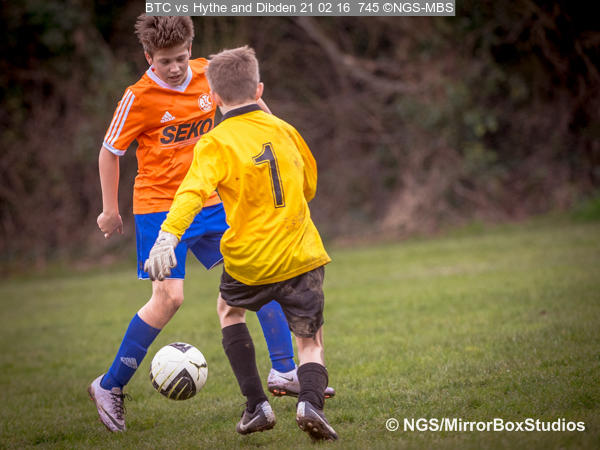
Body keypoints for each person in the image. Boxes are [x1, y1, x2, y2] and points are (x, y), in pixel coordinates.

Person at [87, 15, 333, 434]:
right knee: (169, 299)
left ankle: (284, 370)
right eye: (165, 61)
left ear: (191, 51)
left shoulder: (208, 74)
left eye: (181, 58)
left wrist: (271, 134)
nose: (175, 68)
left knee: (261, 268)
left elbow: (254, 111)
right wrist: (110, 210)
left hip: (212, 199)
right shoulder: (137, 97)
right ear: (148, 57)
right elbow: (110, 151)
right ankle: (109, 385)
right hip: (160, 206)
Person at [144, 45, 338, 441]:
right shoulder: (285, 130)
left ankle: (256, 405)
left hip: (249, 260)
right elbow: (310, 186)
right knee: (310, 340)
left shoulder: (215, 142)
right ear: (259, 89)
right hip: (301, 255)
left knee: (229, 311)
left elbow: (191, 193)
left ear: (214, 97)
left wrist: (168, 236)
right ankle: (310, 404)